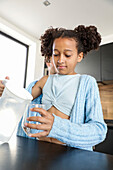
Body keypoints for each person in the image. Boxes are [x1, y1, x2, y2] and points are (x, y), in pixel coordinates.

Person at [2, 25, 107, 151]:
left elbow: (99, 131)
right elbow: (20, 101)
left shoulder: (86, 83)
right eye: (55, 54)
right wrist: (8, 91)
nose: (60, 60)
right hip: (37, 149)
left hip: (68, 153)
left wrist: (56, 126)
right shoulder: (44, 81)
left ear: (79, 56)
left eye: (67, 55)